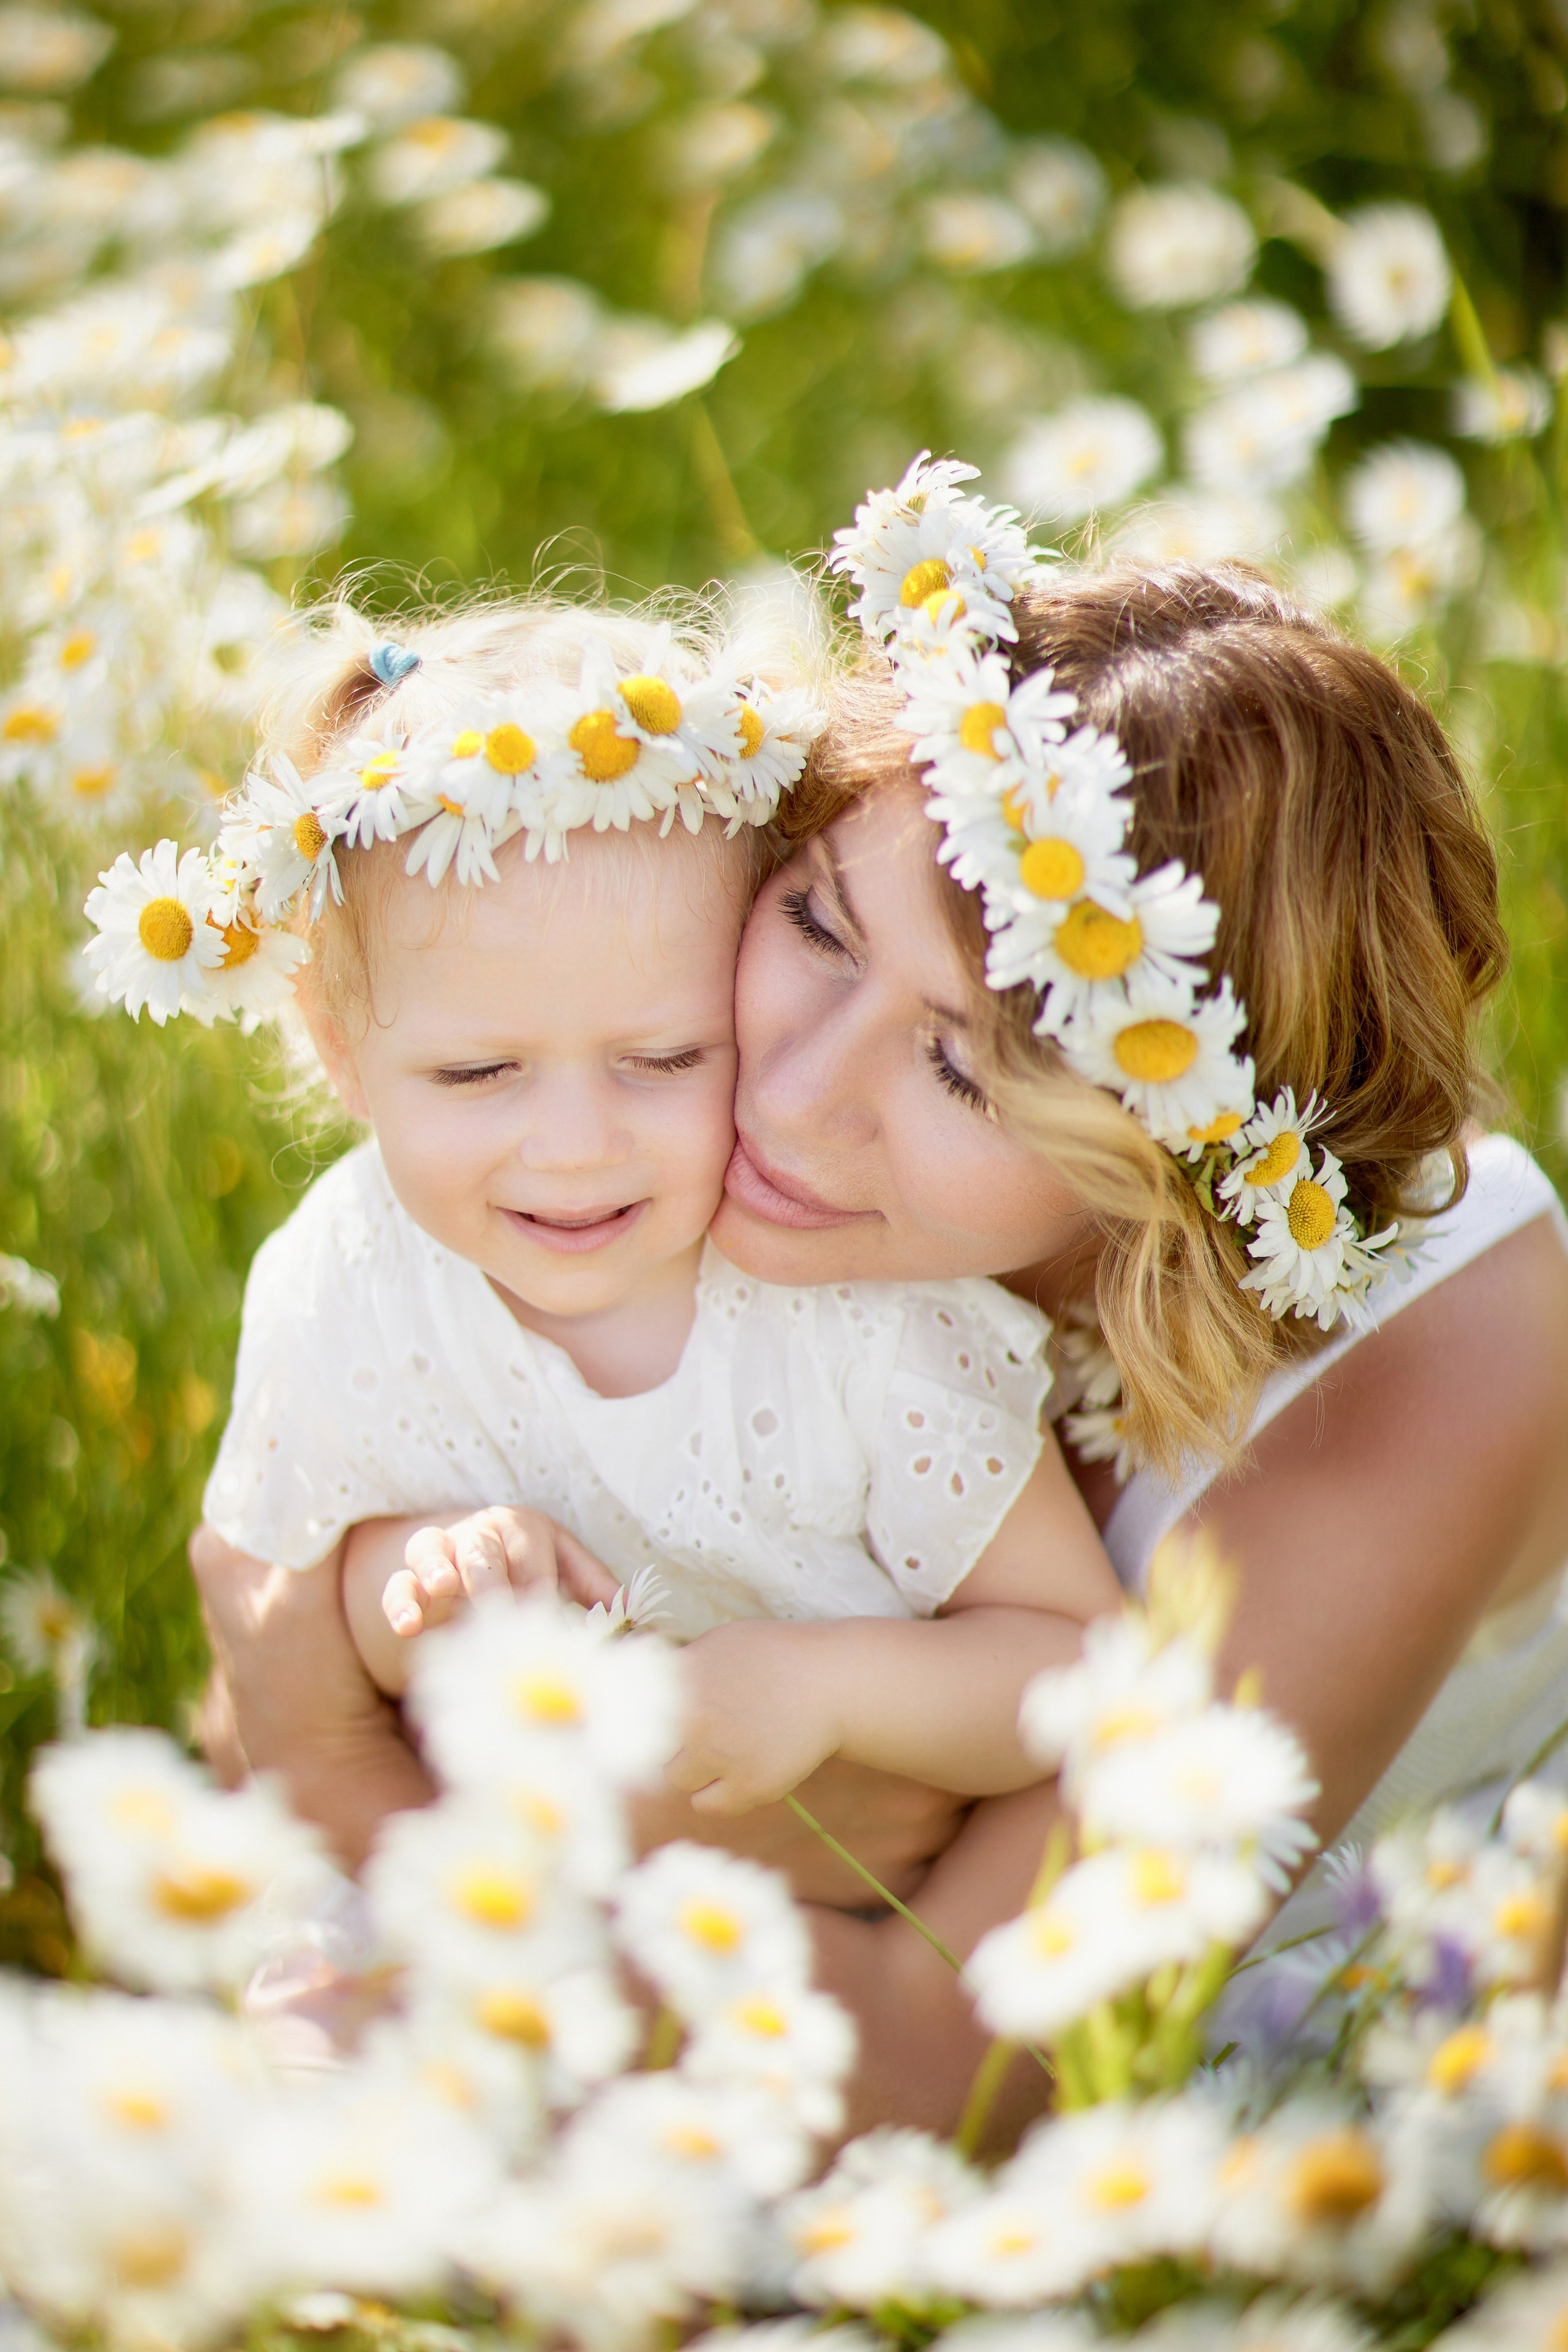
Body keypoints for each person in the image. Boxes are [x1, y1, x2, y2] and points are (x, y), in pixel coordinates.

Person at [189, 458, 1568, 2144]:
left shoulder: (1443, 1377)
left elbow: (957, 2062)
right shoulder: (672, 1164)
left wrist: (332, 1761)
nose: (790, 1093)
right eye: (823, 926)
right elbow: (338, 1561)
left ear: (1176, 1141)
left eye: (960, 1070)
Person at [96, 594, 1121, 1830]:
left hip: (804, 1930)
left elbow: (1078, 1656)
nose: (575, 1149)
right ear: (336, 1049)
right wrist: (416, 1592)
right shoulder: (347, 1277)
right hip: (478, 1896)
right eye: (478, 1075)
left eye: (664, 1059)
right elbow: (290, 1601)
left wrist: (830, 1687)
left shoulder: (850, 1319)